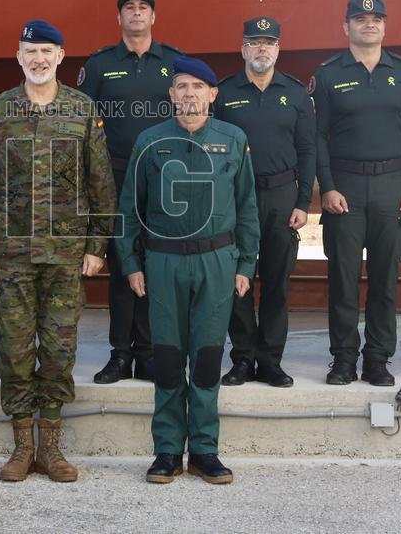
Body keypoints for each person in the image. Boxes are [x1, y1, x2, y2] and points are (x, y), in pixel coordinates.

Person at [0, 19, 116, 483]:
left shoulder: (82, 108)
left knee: (58, 350)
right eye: (30, 52)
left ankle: (51, 449)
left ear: (60, 56)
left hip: (67, 256)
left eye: (47, 51)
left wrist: (97, 246)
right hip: (11, 256)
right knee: (14, 350)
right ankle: (20, 449)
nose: (38, 59)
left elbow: (102, 184)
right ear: (18, 57)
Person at [116, 56, 259, 486]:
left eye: (199, 86)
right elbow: (128, 208)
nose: (190, 93)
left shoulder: (233, 139)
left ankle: (204, 450)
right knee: (167, 357)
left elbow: (248, 206)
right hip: (163, 262)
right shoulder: (150, 141)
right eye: (182, 86)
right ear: (171, 94)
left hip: (218, 261)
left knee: (208, 358)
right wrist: (130, 264)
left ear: (213, 95)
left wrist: (246, 263)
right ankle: (165, 451)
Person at [311, 0, 401, 386]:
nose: (369, 24)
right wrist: (326, 187)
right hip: (344, 188)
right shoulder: (328, 74)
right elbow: (316, 137)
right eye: (360, 19)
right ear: (346, 27)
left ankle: (378, 358)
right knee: (343, 279)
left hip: (391, 188)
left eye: (376, 18)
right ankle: (344, 359)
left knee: (385, 280)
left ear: (385, 26)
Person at [78, 0, 185, 384]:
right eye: (129, 7)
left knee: (156, 265)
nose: (136, 13)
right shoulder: (101, 65)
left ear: (153, 16)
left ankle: (150, 352)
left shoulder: (174, 62)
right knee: (124, 266)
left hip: (162, 178)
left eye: (143, 7)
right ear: (119, 17)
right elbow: (84, 121)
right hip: (117, 178)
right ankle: (120, 354)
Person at [214, 17, 315, 388]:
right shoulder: (223, 93)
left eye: (268, 43)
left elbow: (307, 149)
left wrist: (303, 202)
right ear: (243, 49)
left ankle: (270, 360)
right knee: (236, 280)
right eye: (254, 42)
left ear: (277, 50)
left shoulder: (296, 93)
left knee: (276, 282)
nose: (261, 49)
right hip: (237, 198)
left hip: (281, 196)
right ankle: (242, 358)